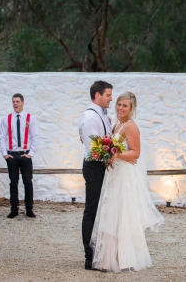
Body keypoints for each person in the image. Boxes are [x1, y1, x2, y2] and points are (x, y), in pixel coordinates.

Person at [90, 92, 164, 273]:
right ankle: (110, 258)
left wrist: (116, 155)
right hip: (115, 174)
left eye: (125, 106)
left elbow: (136, 153)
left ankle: (125, 258)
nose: (120, 108)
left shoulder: (130, 126)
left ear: (132, 109)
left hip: (125, 175)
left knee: (123, 214)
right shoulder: (116, 124)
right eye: (119, 104)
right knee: (112, 213)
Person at [79, 80, 113, 270]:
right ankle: (89, 256)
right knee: (92, 210)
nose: (111, 98)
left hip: (101, 166)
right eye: (108, 95)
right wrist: (112, 156)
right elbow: (94, 150)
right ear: (97, 95)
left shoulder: (101, 115)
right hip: (94, 167)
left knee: (101, 210)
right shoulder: (91, 118)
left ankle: (100, 251)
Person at [0, 93, 40, 218]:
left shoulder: (30, 118)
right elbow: (2, 137)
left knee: (28, 182)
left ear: (22, 103)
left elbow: (35, 136)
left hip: (25, 155)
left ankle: (29, 209)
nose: (15, 104)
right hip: (12, 156)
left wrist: (31, 153)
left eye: (17, 101)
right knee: (13, 182)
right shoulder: (7, 119)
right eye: (13, 102)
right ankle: (14, 209)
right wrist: (5, 154)